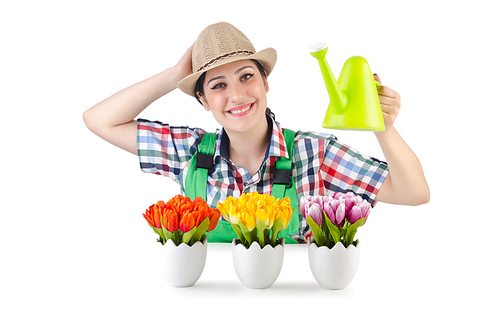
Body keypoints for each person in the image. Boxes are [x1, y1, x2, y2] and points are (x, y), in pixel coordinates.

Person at [83, 22, 429, 243]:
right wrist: (175, 75)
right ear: (202, 99)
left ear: (265, 82)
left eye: (246, 76)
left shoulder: (314, 153)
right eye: (218, 85)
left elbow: (414, 192)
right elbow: (99, 120)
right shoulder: (189, 153)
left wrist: (383, 126)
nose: (237, 95)